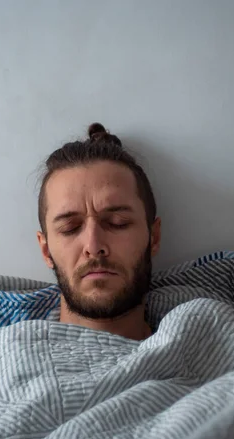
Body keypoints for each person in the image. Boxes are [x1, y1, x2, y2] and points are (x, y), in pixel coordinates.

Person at [36, 122, 161, 341]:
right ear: (46, 250)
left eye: (117, 222)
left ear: (154, 238)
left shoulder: (212, 337)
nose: (94, 246)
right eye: (70, 228)